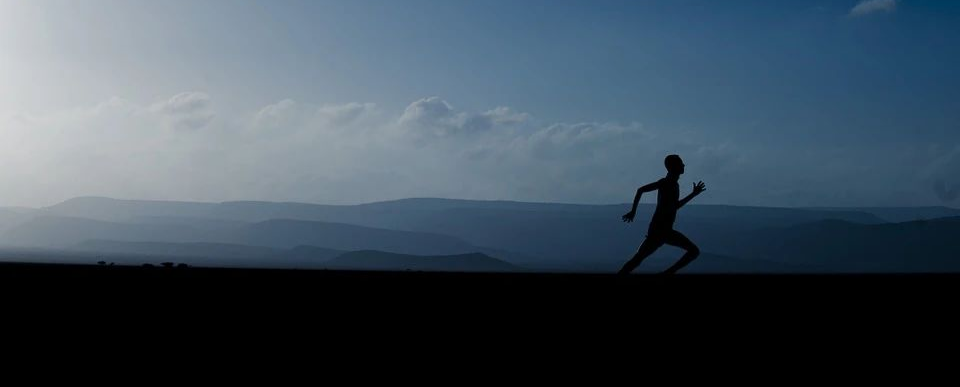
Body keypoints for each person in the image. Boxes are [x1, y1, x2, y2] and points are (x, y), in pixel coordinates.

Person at [619, 154, 706, 274]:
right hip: (660, 230)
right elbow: (641, 190)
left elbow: (674, 206)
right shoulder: (666, 183)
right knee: (694, 251)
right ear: (673, 167)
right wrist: (633, 211)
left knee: (637, 259)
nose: (683, 165)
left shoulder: (673, 184)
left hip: (661, 230)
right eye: (681, 163)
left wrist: (693, 194)